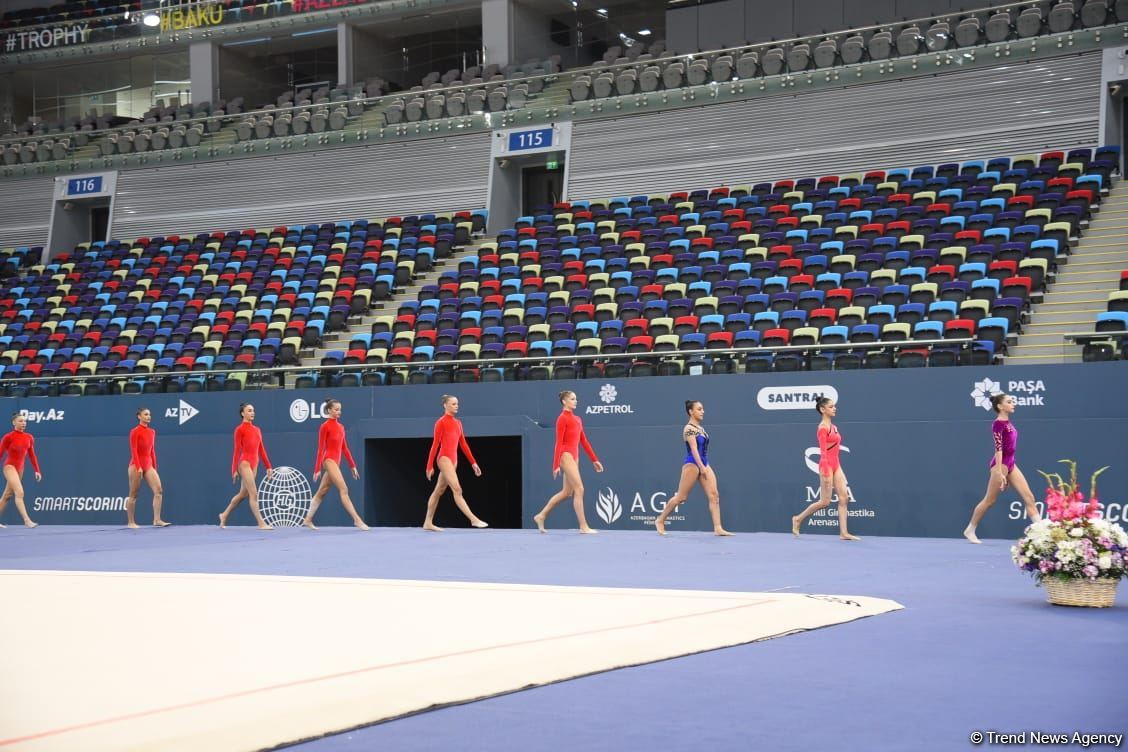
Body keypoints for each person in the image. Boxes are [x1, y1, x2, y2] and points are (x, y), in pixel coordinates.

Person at [963, 393, 1041, 544]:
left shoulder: (1009, 423)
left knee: (1029, 498)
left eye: (1013, 401)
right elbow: (998, 449)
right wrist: (999, 472)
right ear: (1000, 406)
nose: (1013, 404)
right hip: (1001, 464)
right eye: (1009, 402)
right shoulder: (997, 424)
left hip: (1011, 462)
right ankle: (970, 529)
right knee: (989, 500)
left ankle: (1041, 533)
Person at [655, 400, 732, 536]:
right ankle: (660, 520)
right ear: (691, 411)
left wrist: (704, 466)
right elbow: (694, 449)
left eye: (703, 409)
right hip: (692, 464)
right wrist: (701, 467)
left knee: (714, 495)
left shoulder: (701, 429)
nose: (703, 411)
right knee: (681, 497)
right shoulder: (688, 428)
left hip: (704, 463)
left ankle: (718, 527)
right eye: (699, 409)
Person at [791, 397, 861, 540]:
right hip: (826, 465)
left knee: (844, 498)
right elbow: (823, 453)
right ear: (823, 409)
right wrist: (825, 471)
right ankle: (798, 519)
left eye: (834, 406)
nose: (834, 408)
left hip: (836, 464)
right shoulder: (822, 428)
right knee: (825, 502)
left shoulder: (834, 427)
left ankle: (843, 533)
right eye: (831, 406)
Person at [533, 390, 603, 534]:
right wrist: (556, 464)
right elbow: (558, 442)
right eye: (572, 399)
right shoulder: (562, 418)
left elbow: (583, 440)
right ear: (564, 401)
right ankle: (583, 526)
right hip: (565, 455)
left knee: (567, 492)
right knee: (580, 489)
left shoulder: (578, 419)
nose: (575, 401)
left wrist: (594, 459)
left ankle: (541, 515)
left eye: (576, 398)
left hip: (574, 456)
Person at [423, 394, 487, 531]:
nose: (456, 406)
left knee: (438, 490)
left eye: (457, 403)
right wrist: (429, 466)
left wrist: (473, 463)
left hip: (454, 460)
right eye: (453, 404)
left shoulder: (458, 423)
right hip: (444, 458)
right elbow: (435, 445)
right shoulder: (441, 422)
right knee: (457, 490)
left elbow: (463, 444)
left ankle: (428, 522)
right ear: (445, 405)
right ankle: (473, 519)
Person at [304, 398, 368, 530]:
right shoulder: (325, 426)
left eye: (340, 409)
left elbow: (344, 448)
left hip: (336, 462)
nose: (339, 412)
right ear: (329, 410)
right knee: (344, 489)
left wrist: (352, 465)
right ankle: (357, 520)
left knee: (322, 491)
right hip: (328, 460)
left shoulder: (341, 427)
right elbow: (320, 448)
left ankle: (307, 519)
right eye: (336, 409)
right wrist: (317, 469)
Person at [218, 403, 274, 530]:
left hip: (255, 464)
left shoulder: (257, 430)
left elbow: (262, 450)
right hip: (244, 463)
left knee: (242, 494)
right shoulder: (239, 429)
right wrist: (234, 469)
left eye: (253, 410)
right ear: (243, 413)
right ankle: (261, 523)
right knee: (254, 494)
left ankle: (224, 515)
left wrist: (268, 466)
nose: (252, 413)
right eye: (249, 411)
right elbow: (237, 450)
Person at [126, 407, 169, 528]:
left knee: (159, 491)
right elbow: (133, 450)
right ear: (139, 416)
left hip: (148, 465)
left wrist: (154, 466)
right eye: (145, 414)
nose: (148, 416)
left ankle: (157, 520)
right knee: (133, 494)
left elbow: (152, 450)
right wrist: (138, 467)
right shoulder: (135, 431)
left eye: (149, 414)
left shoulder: (152, 432)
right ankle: (131, 522)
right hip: (136, 465)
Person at [0, 412, 41, 528]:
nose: (23, 423)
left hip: (20, 469)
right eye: (20, 421)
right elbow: (0, 453)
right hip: (9, 467)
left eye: (25, 421)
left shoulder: (29, 437)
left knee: (7, 495)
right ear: (14, 423)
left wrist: (37, 470)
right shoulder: (8, 437)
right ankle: (27, 520)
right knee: (20, 492)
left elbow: (32, 455)